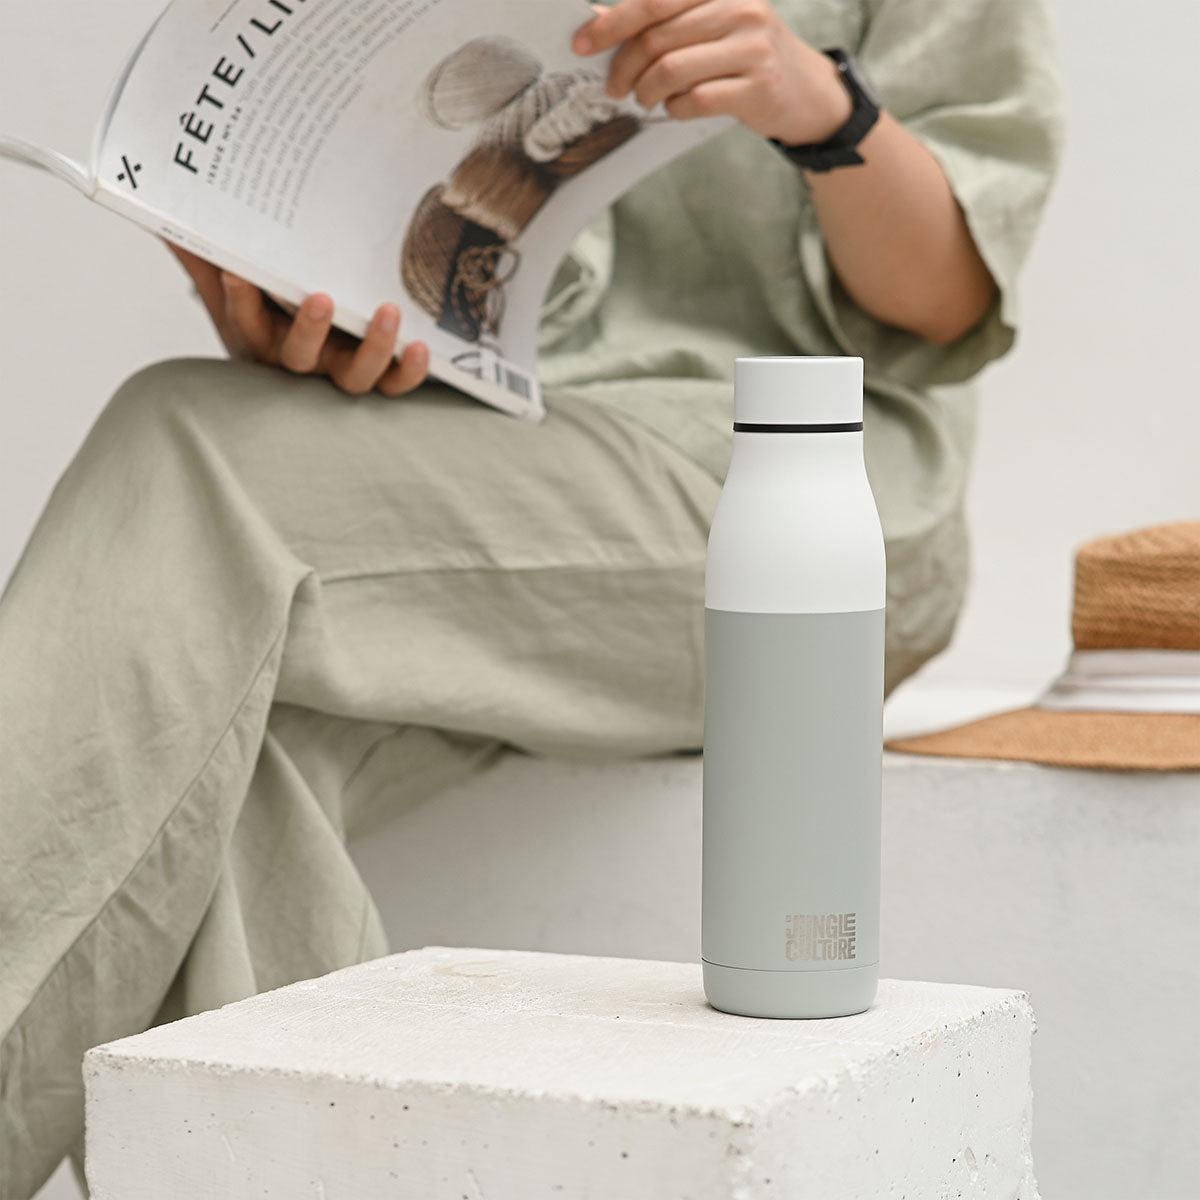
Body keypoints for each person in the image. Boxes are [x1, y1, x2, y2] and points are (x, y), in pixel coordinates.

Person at [0, 0, 1064, 1195]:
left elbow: (948, 298)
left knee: (189, 448)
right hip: (461, 463)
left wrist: (816, 104)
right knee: (237, 760)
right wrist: (304, 313)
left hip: (785, 498)